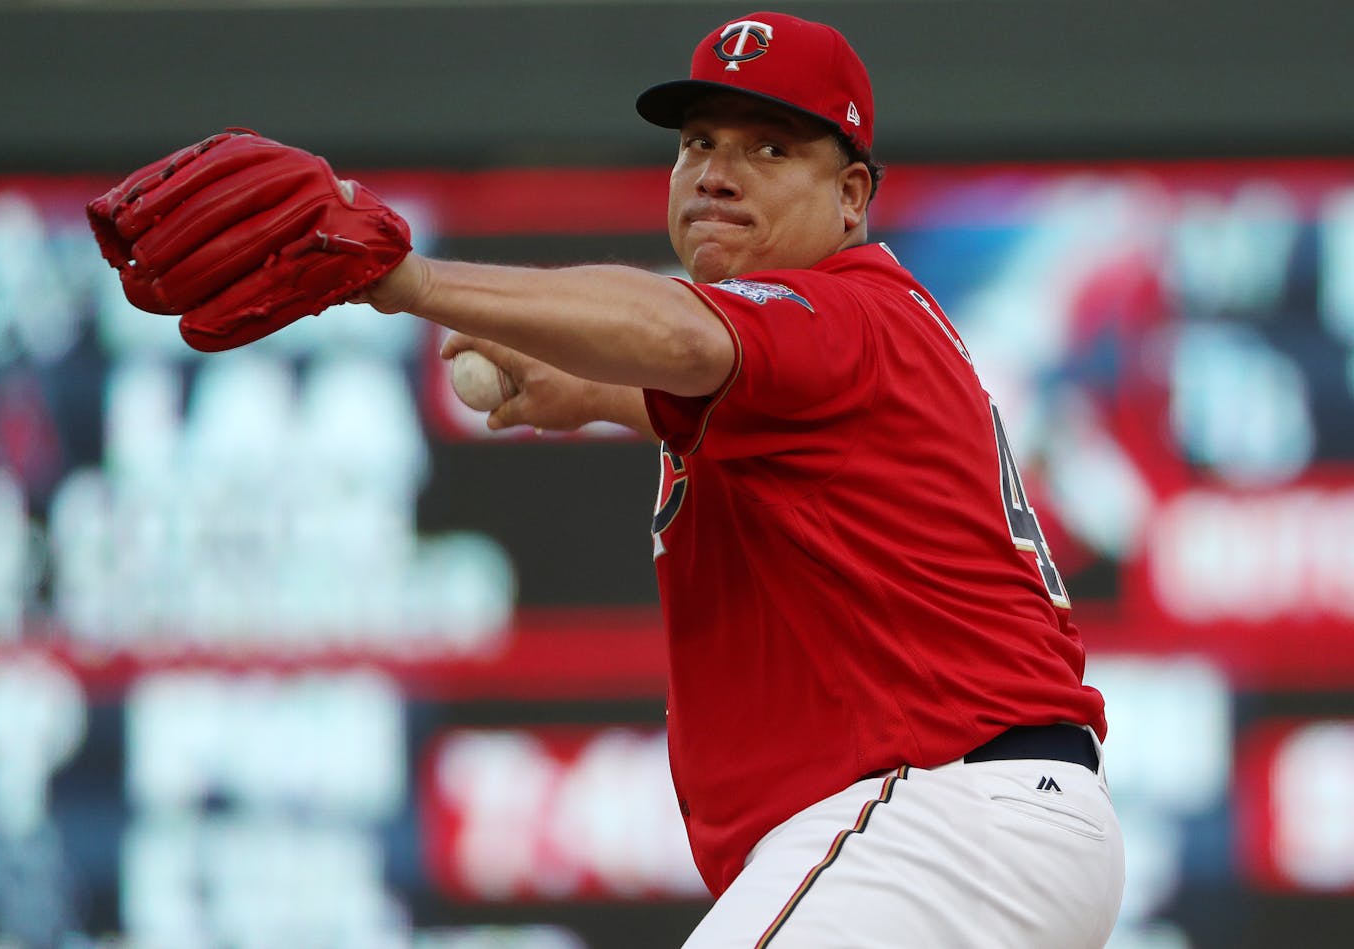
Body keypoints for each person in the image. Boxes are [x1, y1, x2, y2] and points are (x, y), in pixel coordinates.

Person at [95, 10, 1124, 947]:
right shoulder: (828, 358)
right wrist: (575, 388)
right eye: (698, 143)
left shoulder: (840, 312)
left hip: (939, 816)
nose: (718, 172)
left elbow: (676, 331)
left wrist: (400, 281)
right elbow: (679, 381)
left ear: (850, 196)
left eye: (770, 147)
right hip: (988, 829)